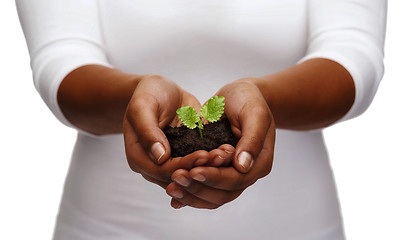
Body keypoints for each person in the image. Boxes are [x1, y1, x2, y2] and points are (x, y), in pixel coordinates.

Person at [16, 0, 386, 239]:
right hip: (107, 229)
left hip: (295, 228)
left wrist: (265, 100)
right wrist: (135, 97)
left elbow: (354, 56)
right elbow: (60, 64)